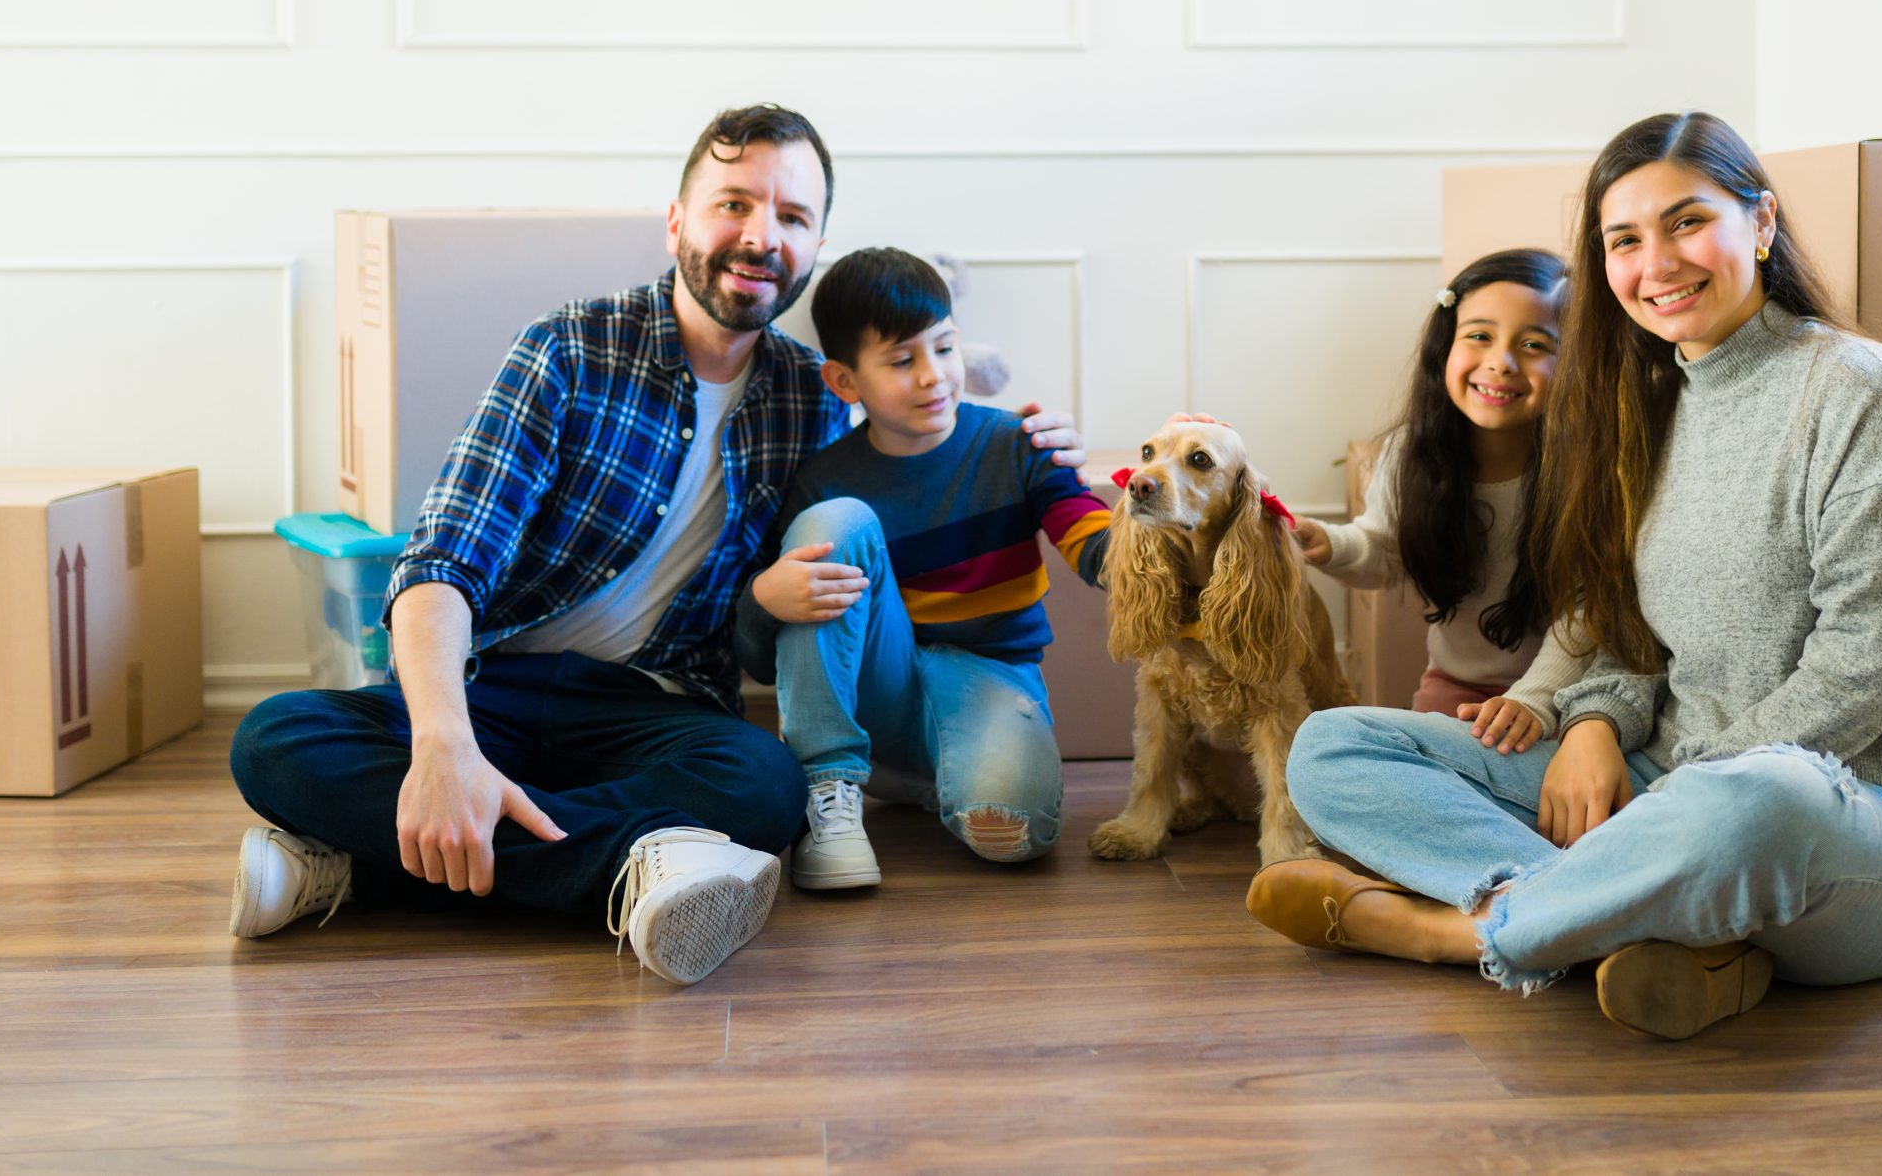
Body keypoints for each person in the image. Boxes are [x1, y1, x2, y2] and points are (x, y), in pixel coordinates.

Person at [224, 106, 1085, 986]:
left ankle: (360, 865)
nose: (760, 237)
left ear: (815, 244)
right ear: (677, 220)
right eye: (734, 204)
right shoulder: (569, 350)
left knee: (764, 785)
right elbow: (443, 558)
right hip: (499, 687)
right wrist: (446, 745)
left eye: (792, 218)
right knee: (273, 737)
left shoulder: (812, 397)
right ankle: (640, 868)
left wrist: (1022, 439)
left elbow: (922, 416)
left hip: (654, 710)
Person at [1252, 110, 1882, 1039]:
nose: (1656, 262)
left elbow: (1863, 671)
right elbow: (1629, 630)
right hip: (1659, 789)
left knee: (1760, 798)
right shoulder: (1643, 407)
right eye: (1625, 239)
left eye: (1687, 221)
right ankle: (1671, 937)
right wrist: (1597, 723)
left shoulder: (1862, 390)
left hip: (1849, 815)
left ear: (1762, 222)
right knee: (1333, 749)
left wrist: (1674, 798)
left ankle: (1462, 930)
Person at [736, 248, 1112, 890]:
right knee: (837, 523)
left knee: (1014, 834)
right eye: (902, 360)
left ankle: (932, 776)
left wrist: (1183, 504)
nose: (934, 376)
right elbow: (761, 659)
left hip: (989, 675)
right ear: (845, 382)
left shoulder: (1016, 445)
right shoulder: (825, 478)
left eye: (944, 348)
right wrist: (764, 600)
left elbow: (1099, 551)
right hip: (880, 688)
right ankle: (830, 785)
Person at [1290, 248, 1587, 753]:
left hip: (1567, 694)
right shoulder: (1413, 452)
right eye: (1479, 336)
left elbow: (1589, 610)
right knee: (1328, 748)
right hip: (1456, 688)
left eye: (1535, 344)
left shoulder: (1585, 466)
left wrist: (1534, 699)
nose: (1500, 362)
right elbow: (1384, 552)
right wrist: (1328, 544)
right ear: (1444, 346)